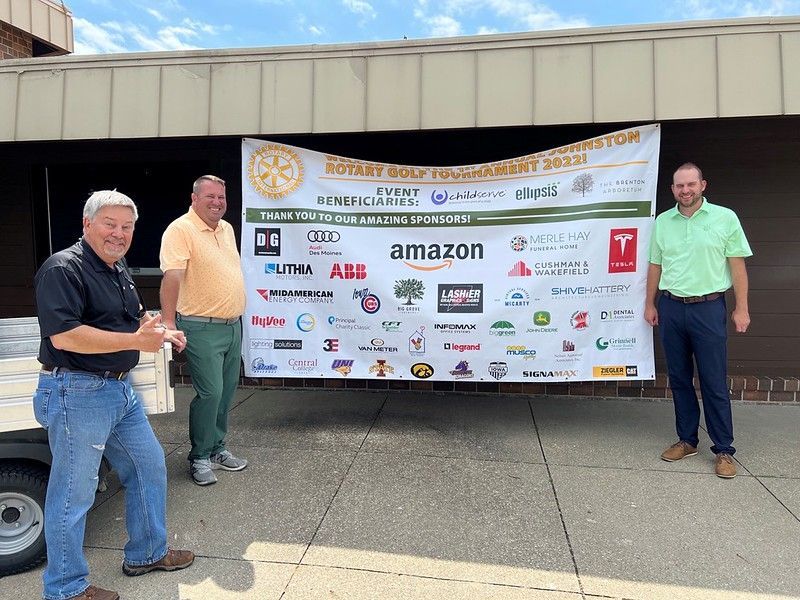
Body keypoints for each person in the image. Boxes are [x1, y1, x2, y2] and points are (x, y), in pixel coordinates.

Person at [33, 190, 194, 600]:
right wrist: (134, 341)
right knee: (73, 494)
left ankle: (147, 553)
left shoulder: (115, 266)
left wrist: (154, 329)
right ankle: (65, 588)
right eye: (110, 224)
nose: (119, 234)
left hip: (119, 390)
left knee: (149, 467)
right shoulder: (62, 269)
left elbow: (128, 320)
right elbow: (65, 333)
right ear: (87, 224)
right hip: (77, 391)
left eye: (127, 226)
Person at [645, 163, 752, 479]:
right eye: (679, 186)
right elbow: (655, 266)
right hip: (672, 308)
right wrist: (650, 303)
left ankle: (723, 450)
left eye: (691, 184)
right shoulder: (663, 222)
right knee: (678, 377)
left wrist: (741, 308)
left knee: (713, 380)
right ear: (673, 189)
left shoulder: (724, 217)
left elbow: (738, 268)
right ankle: (687, 439)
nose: (685, 190)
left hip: (708, 308)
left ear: (703, 185)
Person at [159, 175, 247, 486]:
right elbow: (172, 276)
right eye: (210, 196)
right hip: (200, 326)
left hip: (231, 325)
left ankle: (217, 448)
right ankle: (199, 457)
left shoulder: (226, 229)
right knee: (210, 393)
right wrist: (169, 323)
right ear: (194, 198)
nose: (217, 202)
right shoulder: (180, 229)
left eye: (221, 197)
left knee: (226, 393)